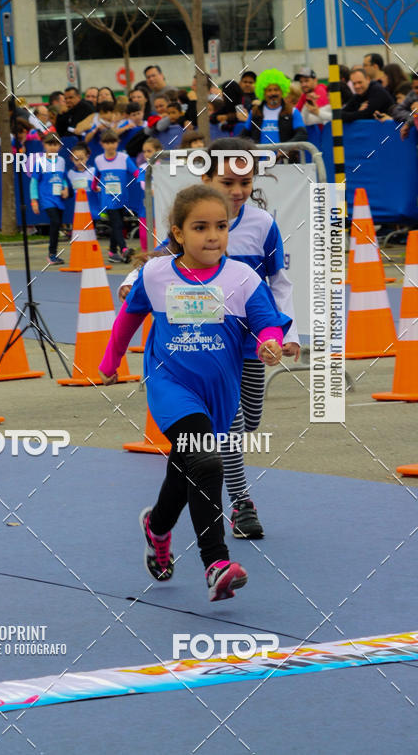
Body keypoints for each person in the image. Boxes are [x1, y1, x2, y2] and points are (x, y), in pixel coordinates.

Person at [99, 184, 290, 601]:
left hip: (219, 392)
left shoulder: (242, 278)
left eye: (220, 227)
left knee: (186, 467)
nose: (212, 236)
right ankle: (216, 563)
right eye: (200, 227)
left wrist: (269, 342)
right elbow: (128, 320)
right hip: (171, 385)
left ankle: (158, 526)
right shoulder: (156, 274)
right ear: (178, 233)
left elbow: (266, 322)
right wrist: (110, 363)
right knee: (206, 460)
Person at [118, 138, 300, 538]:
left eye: (245, 181)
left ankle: (179, 508)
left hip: (253, 343)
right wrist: (131, 282)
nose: (236, 190)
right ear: (206, 178)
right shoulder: (195, 220)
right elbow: (160, 262)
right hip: (209, 347)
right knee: (228, 428)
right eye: (227, 181)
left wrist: (289, 334)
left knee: (249, 420)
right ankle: (241, 504)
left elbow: (279, 282)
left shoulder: (263, 225)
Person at [240, 69, 307, 158]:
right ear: (263, 93)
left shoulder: (292, 111)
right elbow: (243, 136)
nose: (273, 93)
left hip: (286, 164)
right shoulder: (255, 112)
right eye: (269, 90)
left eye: (276, 90)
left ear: (282, 91)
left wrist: (286, 148)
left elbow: (302, 135)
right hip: (261, 165)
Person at [93, 129, 137, 264]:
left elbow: (135, 172)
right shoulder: (99, 160)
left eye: (113, 142)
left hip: (122, 198)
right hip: (107, 200)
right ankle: (124, 249)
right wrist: (94, 186)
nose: (110, 145)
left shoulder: (124, 158)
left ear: (117, 143)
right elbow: (96, 176)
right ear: (102, 144)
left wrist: (146, 179)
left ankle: (112, 252)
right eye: (107, 143)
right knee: (117, 224)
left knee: (117, 225)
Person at [29, 132, 69, 265]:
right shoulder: (40, 162)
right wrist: (34, 200)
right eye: (49, 144)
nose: (53, 147)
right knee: (55, 222)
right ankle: (51, 254)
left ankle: (54, 254)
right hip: (47, 199)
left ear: (59, 146)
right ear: (44, 145)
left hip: (59, 200)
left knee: (57, 225)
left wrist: (65, 188)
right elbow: (34, 182)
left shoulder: (61, 161)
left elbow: (62, 178)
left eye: (55, 144)